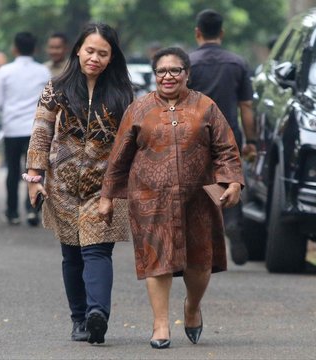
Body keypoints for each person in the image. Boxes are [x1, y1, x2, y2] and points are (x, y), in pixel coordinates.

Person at [99, 47, 244, 349]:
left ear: (187, 74)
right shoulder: (138, 109)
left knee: (200, 263)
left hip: (199, 199)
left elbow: (226, 149)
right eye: (161, 71)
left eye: (174, 70)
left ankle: (192, 307)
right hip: (150, 199)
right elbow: (119, 158)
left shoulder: (206, 107)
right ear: (154, 75)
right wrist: (108, 197)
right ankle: (160, 324)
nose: (167, 77)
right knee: (157, 260)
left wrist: (233, 182)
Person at [25, 23, 133, 344]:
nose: (95, 58)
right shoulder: (56, 87)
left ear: (112, 58)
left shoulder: (124, 94)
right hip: (63, 185)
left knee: (97, 251)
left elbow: (131, 144)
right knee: (72, 255)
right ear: (78, 50)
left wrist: (122, 188)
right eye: (90, 51)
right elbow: (41, 131)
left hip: (105, 186)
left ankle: (97, 314)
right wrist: (34, 178)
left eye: (103, 53)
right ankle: (79, 319)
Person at [188, 9, 257, 266]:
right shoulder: (238, 63)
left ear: (197, 32)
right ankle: (234, 224)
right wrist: (251, 140)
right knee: (231, 181)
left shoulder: (188, 62)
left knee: (195, 184)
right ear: (222, 33)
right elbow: (246, 106)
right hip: (229, 134)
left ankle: (199, 237)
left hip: (193, 134)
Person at [0, 32, 50, 226]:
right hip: (36, 129)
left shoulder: (5, 71)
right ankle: (33, 210)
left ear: (14, 48)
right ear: (35, 49)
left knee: (12, 171)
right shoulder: (43, 72)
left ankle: (12, 211)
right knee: (35, 170)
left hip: (12, 127)